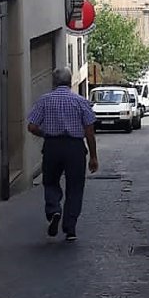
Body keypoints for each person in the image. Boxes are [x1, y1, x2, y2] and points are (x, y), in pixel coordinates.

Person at [27, 67, 98, 242]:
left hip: (52, 146)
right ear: (70, 81)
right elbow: (89, 131)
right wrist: (93, 156)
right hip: (75, 148)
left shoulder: (44, 100)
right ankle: (70, 228)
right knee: (75, 187)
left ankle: (54, 210)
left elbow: (32, 126)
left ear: (54, 82)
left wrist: (46, 134)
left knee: (50, 181)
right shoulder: (80, 101)